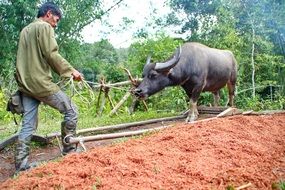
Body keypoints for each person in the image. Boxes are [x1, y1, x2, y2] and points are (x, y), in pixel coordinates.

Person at [14, 1, 83, 173]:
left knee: (28, 125)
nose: (56, 24)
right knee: (71, 110)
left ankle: (21, 166)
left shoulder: (25, 30)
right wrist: (71, 71)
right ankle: (69, 151)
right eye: (56, 20)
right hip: (40, 83)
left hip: (25, 84)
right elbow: (51, 54)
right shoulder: (45, 28)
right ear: (49, 14)